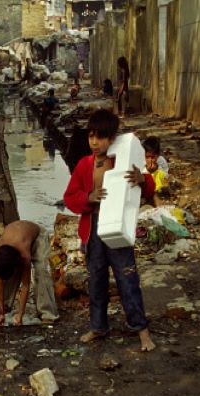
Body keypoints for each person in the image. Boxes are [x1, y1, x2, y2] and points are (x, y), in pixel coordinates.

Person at [63, 109, 156, 351]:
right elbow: (70, 198)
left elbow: (147, 187)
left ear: (112, 138)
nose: (94, 143)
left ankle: (142, 330)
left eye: (100, 138)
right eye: (91, 136)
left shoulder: (123, 159)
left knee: (127, 279)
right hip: (93, 230)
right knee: (96, 281)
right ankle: (98, 326)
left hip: (117, 229)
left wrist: (143, 180)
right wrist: (89, 197)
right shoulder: (85, 165)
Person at [0, 220, 59, 326]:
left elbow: (25, 286)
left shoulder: (24, 254)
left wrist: (20, 315)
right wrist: (1, 313)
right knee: (9, 272)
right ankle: (4, 305)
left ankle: (47, 313)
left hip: (38, 235)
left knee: (41, 271)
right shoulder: (0, 254)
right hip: (19, 234)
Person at [142, 136, 169, 207]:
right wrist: (148, 171)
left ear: (158, 155)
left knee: (159, 174)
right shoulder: (141, 160)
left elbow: (165, 174)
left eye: (153, 157)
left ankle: (155, 194)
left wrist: (156, 169)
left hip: (157, 184)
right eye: (147, 157)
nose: (150, 160)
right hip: (146, 183)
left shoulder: (161, 160)